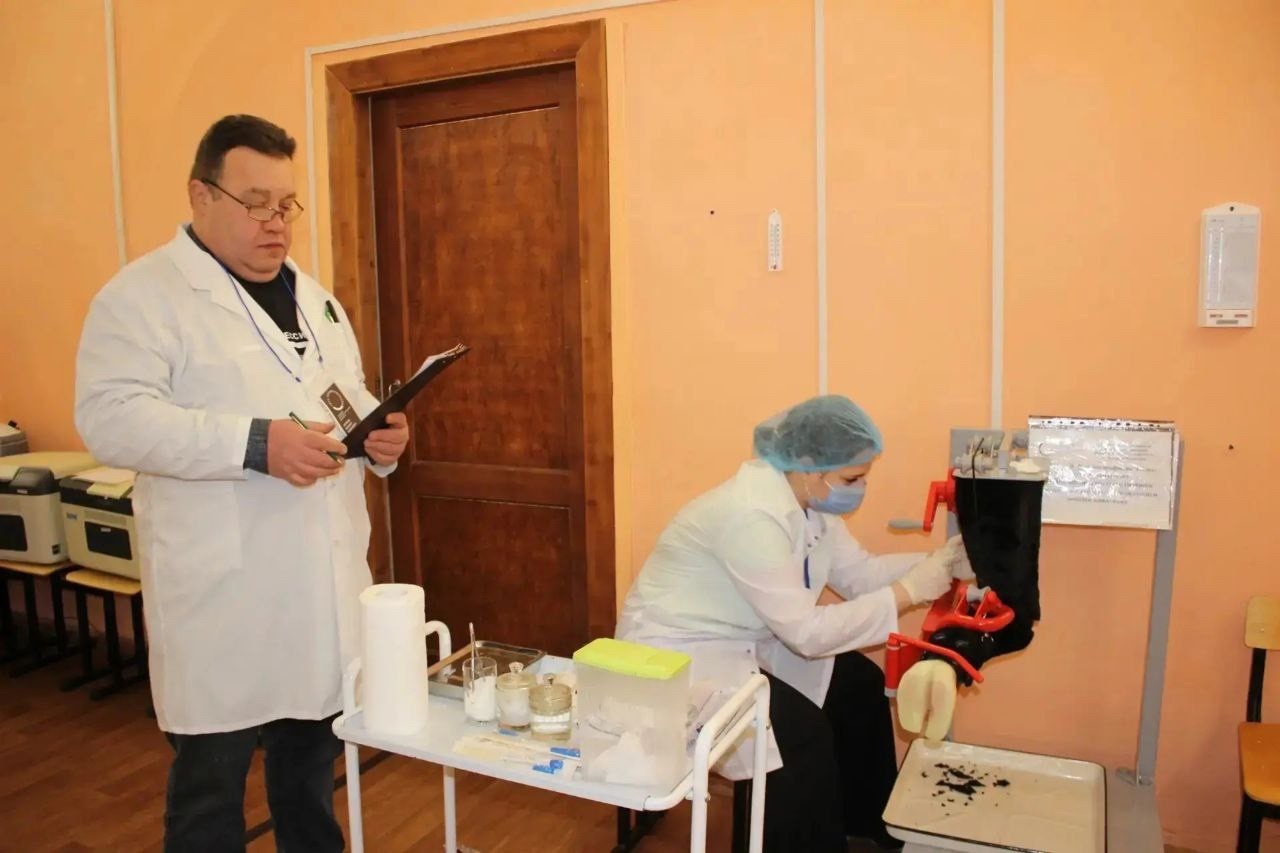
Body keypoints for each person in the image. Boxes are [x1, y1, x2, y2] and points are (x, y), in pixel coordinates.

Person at [75, 114, 410, 853]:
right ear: (201, 195)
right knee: (210, 793)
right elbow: (111, 420)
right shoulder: (143, 298)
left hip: (317, 592)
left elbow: (340, 394)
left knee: (309, 779)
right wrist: (255, 443)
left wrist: (378, 437)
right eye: (256, 203)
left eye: (286, 205)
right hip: (222, 597)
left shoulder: (314, 298)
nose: (276, 223)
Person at [616, 394, 968, 852]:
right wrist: (912, 589)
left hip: (746, 638)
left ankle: (871, 831)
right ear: (808, 466)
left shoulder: (809, 503)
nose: (860, 488)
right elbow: (806, 635)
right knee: (799, 739)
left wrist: (938, 565)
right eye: (852, 478)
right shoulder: (751, 516)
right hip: (677, 655)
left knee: (859, 685)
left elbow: (860, 576)